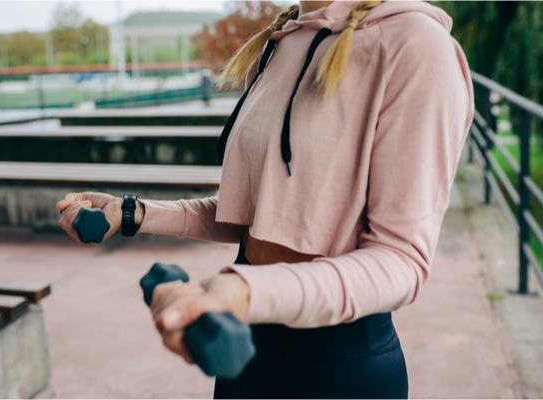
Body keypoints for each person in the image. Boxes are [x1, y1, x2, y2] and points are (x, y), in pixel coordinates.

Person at [57, 1, 475, 398]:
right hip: (246, 343)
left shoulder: (418, 47)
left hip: (339, 365)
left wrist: (243, 290)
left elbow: (401, 260)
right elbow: (259, 214)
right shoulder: (278, 44)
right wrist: (133, 213)